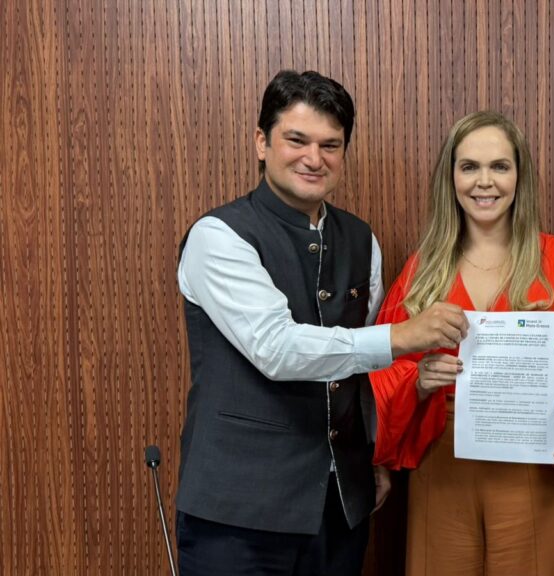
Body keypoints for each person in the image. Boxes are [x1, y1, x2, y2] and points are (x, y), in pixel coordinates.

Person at [175, 70, 469, 576]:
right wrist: (403, 336)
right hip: (237, 513)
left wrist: (373, 457)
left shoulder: (361, 239)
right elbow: (276, 349)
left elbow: (363, 373)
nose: (314, 158)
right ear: (262, 142)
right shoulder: (219, 235)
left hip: (339, 507)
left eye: (330, 145)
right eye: (297, 140)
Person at [370, 111, 554, 576]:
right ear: (450, 177)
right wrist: (419, 381)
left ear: (519, 175)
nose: (484, 182)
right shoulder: (422, 270)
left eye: (499, 166)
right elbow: (380, 375)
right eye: (469, 166)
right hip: (443, 462)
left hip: (540, 463)